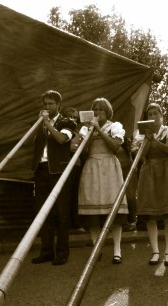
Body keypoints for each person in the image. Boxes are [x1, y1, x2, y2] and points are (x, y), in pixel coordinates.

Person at [29, 90, 77, 266]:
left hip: (59, 171)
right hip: (41, 169)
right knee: (43, 212)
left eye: (51, 104)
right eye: (45, 104)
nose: (47, 107)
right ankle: (47, 251)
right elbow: (32, 142)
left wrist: (48, 124)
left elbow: (62, 139)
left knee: (62, 213)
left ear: (58, 105)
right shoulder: (41, 122)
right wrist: (40, 124)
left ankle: (62, 253)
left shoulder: (67, 122)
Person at [77, 97, 128, 264]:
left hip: (109, 167)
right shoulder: (86, 128)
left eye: (101, 109)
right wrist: (87, 133)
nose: (98, 112)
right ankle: (96, 248)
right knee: (92, 212)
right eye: (95, 109)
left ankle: (117, 250)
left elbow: (115, 147)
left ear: (108, 112)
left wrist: (98, 130)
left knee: (114, 210)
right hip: (92, 167)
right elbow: (81, 151)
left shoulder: (115, 126)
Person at [134, 103, 168, 266]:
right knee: (150, 214)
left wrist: (154, 140)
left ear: (161, 115)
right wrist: (148, 139)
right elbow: (142, 156)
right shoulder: (141, 134)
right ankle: (155, 251)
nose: (153, 117)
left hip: (165, 170)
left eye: (156, 113)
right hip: (149, 171)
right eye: (150, 114)